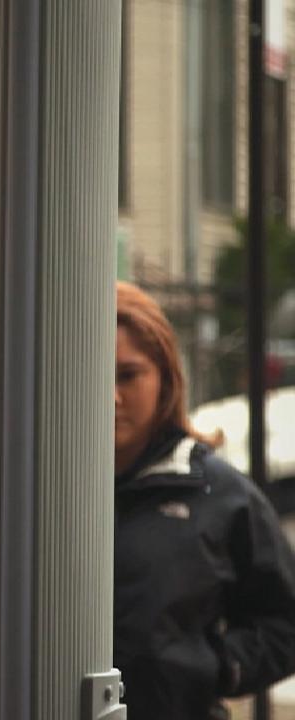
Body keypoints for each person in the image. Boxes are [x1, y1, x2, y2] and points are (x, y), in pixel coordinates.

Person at [112, 281, 295, 719]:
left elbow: (284, 626)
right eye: (90, 374)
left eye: (127, 375)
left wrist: (217, 667)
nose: (110, 396)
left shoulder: (220, 495)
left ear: (166, 377)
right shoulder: (24, 492)